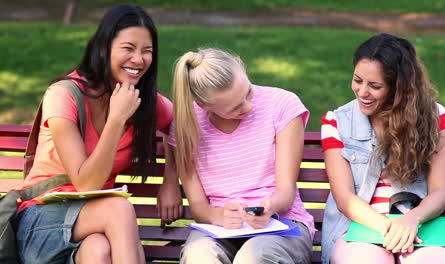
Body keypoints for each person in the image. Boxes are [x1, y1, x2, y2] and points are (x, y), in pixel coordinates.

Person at [15, 5, 182, 264]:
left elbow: (182, 126)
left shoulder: (142, 101)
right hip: (41, 221)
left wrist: (170, 180)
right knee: (119, 208)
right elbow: (86, 184)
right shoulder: (63, 95)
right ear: (103, 49)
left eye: (146, 51)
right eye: (128, 48)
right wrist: (116, 120)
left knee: (99, 250)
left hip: (95, 224)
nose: (138, 60)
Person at [166, 48, 314, 264]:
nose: (248, 106)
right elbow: (198, 207)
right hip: (219, 229)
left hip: (282, 225)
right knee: (199, 255)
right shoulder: (186, 124)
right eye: (235, 108)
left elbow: (285, 192)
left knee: (253, 258)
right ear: (204, 106)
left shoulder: (282, 104)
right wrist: (218, 216)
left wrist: (270, 206)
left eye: (248, 93)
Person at [320, 33, 445, 264]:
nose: (362, 92)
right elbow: (345, 198)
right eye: (357, 80)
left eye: (375, 86)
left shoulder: (433, 117)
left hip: (419, 223)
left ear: (399, 87)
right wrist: (391, 229)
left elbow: (440, 192)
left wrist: (411, 220)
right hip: (359, 227)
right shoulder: (337, 121)